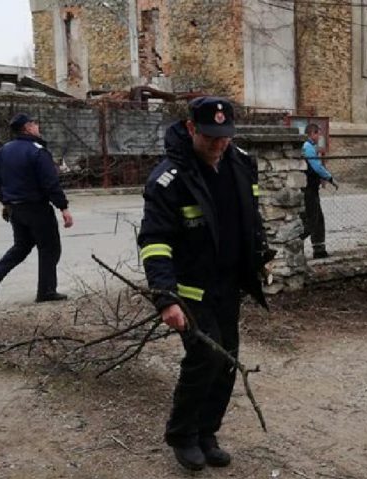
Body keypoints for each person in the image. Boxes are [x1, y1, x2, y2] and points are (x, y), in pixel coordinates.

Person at [137, 97, 272, 471]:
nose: (219, 144)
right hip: (190, 290)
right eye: (211, 137)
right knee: (205, 357)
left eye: (225, 136)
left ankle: (207, 432)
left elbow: (250, 217)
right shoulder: (169, 179)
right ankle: (182, 435)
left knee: (227, 359)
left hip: (229, 285)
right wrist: (165, 298)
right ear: (192, 128)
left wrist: (260, 256)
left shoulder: (241, 163)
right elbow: (155, 242)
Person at [0, 113, 74, 302]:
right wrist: (63, 207)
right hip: (36, 208)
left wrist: (6, 202)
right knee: (50, 248)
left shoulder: (3, 151)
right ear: (28, 127)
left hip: (15, 208)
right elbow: (50, 183)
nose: (38, 127)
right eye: (35, 124)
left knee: (21, 246)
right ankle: (46, 291)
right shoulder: (37, 151)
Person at [301, 123, 334, 259]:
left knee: (318, 218)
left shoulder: (307, 146)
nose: (319, 137)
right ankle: (295, 242)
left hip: (311, 188)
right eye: (318, 134)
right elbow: (316, 166)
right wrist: (329, 177)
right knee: (312, 220)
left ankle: (319, 249)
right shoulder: (308, 147)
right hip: (309, 189)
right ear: (312, 133)